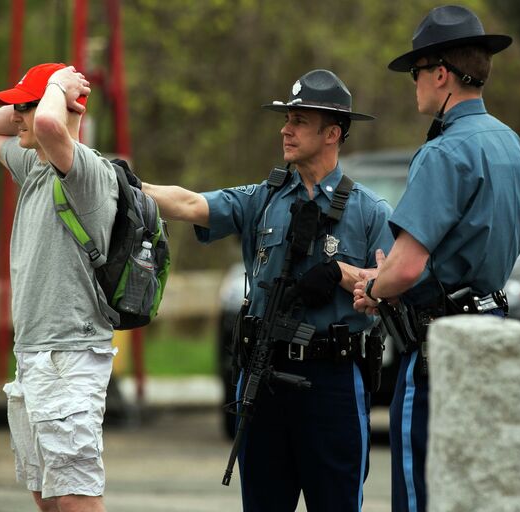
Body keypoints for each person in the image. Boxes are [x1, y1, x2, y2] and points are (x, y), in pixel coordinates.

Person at [140, 69, 394, 511]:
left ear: (332, 132)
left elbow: (391, 287)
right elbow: (188, 203)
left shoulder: (370, 212)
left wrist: (341, 273)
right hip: (263, 377)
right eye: (286, 118)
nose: (285, 128)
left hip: (331, 382)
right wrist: (123, 185)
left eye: (298, 120)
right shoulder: (264, 198)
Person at [352, 6, 520, 512]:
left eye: (416, 72)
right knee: (482, 491)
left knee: (420, 494)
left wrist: (373, 287)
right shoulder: (512, 145)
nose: (413, 85)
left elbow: (407, 268)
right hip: (493, 334)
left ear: (440, 74)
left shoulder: (443, 152)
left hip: (438, 347)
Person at [0, 63, 118, 512]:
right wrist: (32, 97)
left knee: (76, 500)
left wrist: (60, 88)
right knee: (49, 500)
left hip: (69, 356)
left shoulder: (84, 171)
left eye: (24, 106)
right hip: (34, 354)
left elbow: (48, 124)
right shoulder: (35, 166)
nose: (15, 117)